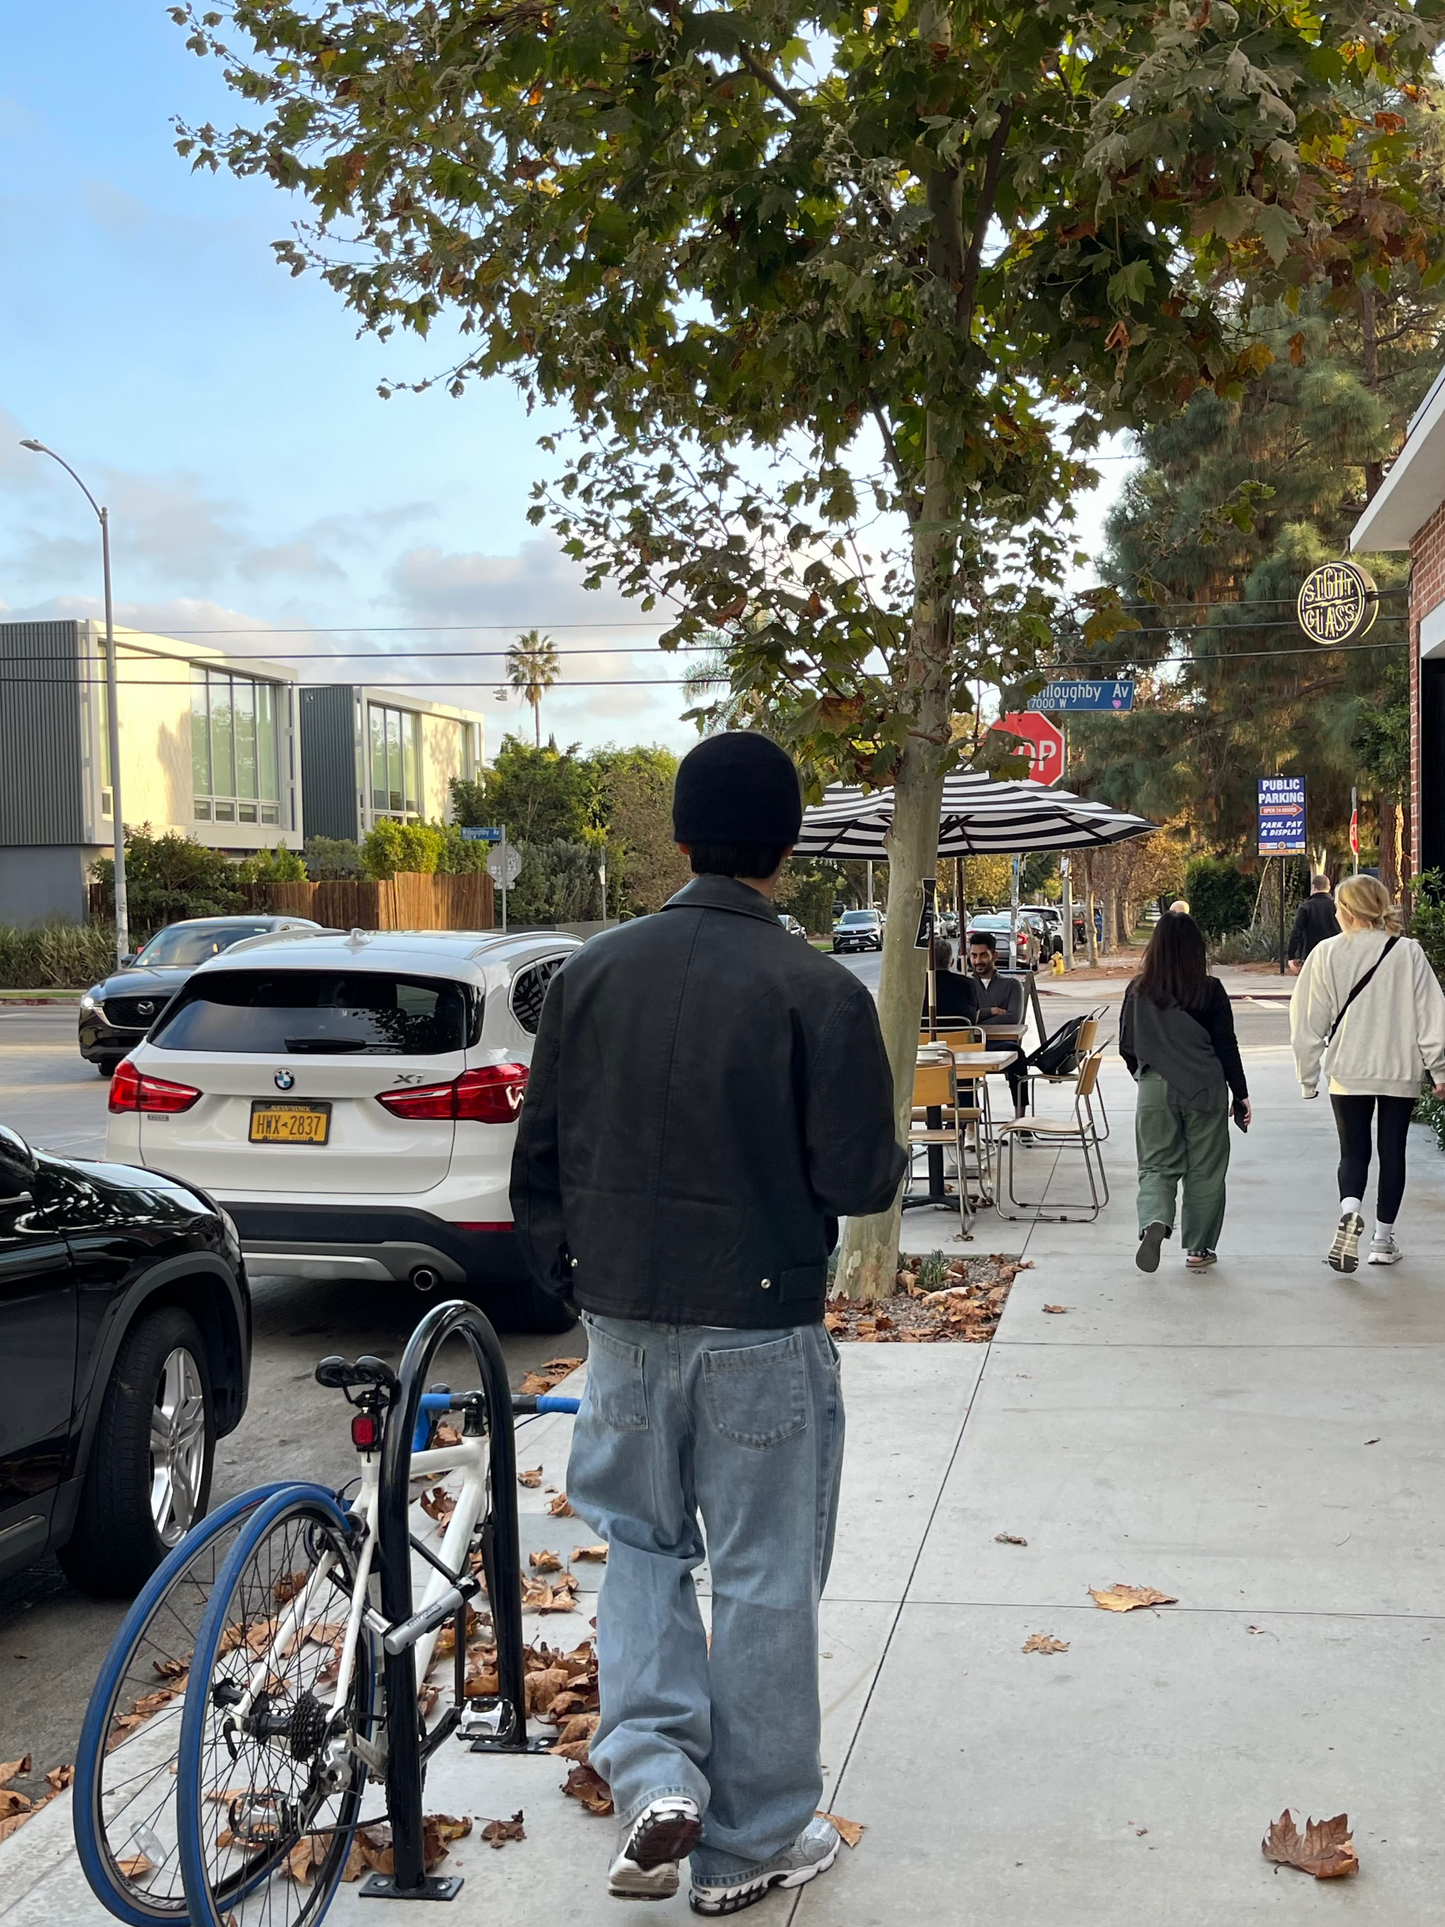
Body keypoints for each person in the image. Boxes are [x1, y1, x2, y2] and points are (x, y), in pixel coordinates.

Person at [511, 731, 906, 1915]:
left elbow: (539, 1163)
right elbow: (858, 1180)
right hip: (763, 1320)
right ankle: (752, 1838)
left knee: (639, 1546)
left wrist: (580, 1280)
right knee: (764, 1574)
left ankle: (651, 1773)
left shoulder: (589, 975)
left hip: (624, 1322)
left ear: (681, 835)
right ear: (784, 845)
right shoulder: (816, 989)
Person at [1290, 874, 1445, 1270]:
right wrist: (1439, 1070)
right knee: (1392, 1151)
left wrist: (1308, 1077)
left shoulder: (1325, 953)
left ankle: (1348, 1211)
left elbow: (1307, 1021)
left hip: (1348, 1069)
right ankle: (1382, 1239)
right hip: (1398, 1068)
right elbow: (1432, 1016)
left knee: (1353, 1150)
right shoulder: (1408, 952)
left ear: (1345, 910)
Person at [1119, 911, 1250, 1271]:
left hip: (1154, 1088)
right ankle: (1199, 1249)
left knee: (1156, 1167)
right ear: (1197, 949)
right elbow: (1226, 1045)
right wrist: (1240, 1093)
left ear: (1155, 947)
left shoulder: (1137, 990)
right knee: (1205, 1170)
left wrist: (1147, 1079)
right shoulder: (1210, 990)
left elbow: (1127, 1045)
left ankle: (1155, 1221)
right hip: (1204, 1088)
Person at [958, 930, 1029, 1117]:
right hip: (970, 1046)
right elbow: (963, 1020)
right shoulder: (964, 985)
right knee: (959, 1063)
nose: (978, 961)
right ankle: (968, 1121)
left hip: (997, 1045)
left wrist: (977, 1016)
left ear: (994, 955)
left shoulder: (1012, 985)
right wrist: (992, 1011)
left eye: (983, 955)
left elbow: (1013, 1018)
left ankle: (1020, 1119)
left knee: (1017, 1055)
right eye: (974, 955)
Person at [1287, 872, 1340, 974]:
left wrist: (1291, 956)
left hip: (1311, 953)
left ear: (1313, 887)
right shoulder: (1336, 906)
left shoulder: (1305, 907)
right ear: (1329, 887)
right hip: (1334, 952)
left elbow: (1296, 932)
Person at [921, 934, 976, 1023]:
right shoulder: (967, 983)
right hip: (960, 1035)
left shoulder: (918, 984)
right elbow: (973, 1014)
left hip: (923, 1035)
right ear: (952, 962)